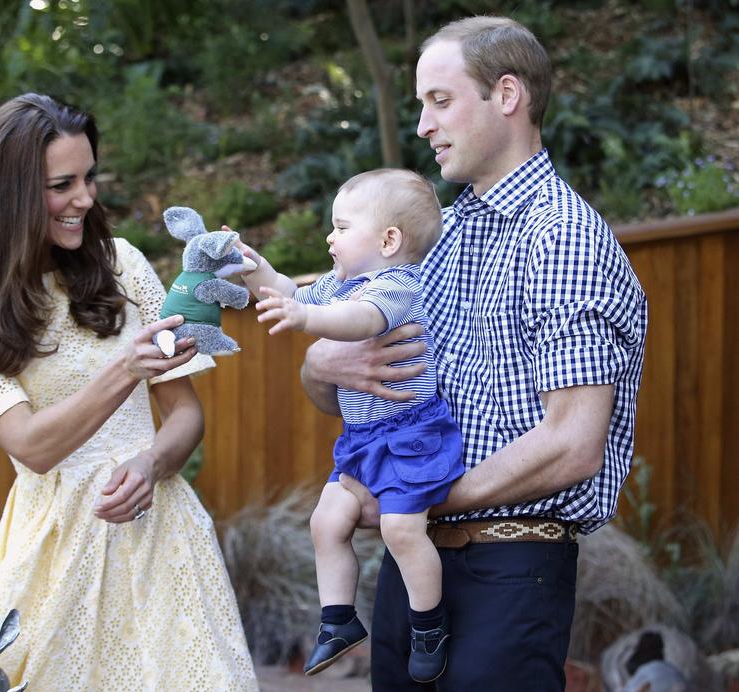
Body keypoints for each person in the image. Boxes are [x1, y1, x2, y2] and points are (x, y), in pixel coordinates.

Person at [299, 16, 648, 692]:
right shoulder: (434, 237)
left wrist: (420, 501)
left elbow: (572, 443)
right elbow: (355, 388)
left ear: (508, 96)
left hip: (510, 571)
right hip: (414, 568)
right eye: (421, 105)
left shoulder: (562, 238)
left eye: (440, 100)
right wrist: (320, 368)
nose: (424, 125)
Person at [0, 93, 258, 691]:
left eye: (89, 177)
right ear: (10, 196)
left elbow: (185, 413)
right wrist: (124, 371)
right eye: (62, 184)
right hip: (50, 555)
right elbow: (31, 447)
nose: (85, 198)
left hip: (160, 538)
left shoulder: (122, 264)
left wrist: (151, 464)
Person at [239, 168, 465, 683]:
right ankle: (338, 621)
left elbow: (361, 322)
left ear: (388, 240)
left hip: (411, 436)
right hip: (364, 441)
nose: (329, 237)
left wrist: (304, 320)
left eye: (341, 227)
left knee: (401, 528)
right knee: (327, 520)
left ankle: (430, 623)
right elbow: (282, 288)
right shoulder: (342, 284)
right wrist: (250, 267)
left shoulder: (398, 287)